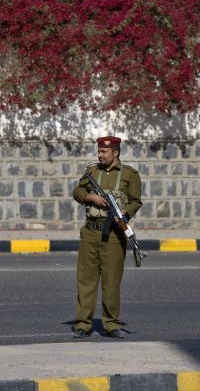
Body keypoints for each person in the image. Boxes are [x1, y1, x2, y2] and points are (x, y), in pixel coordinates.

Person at [71, 135, 143, 339]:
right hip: (90, 232)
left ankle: (111, 324)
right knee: (86, 280)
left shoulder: (130, 174)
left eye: (104, 152)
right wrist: (90, 197)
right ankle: (83, 324)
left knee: (111, 281)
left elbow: (136, 201)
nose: (100, 155)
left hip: (113, 234)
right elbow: (77, 191)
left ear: (116, 153)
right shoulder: (92, 171)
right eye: (99, 151)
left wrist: (123, 215)